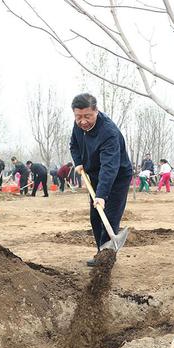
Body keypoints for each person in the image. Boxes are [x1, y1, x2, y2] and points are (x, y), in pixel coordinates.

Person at [69, 93, 132, 266]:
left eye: (87, 116)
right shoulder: (78, 126)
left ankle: (106, 259)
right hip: (95, 175)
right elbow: (73, 145)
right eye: (78, 117)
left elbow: (110, 166)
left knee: (109, 216)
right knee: (95, 217)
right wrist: (79, 162)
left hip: (117, 176)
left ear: (96, 111)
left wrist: (102, 195)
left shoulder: (108, 132)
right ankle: (101, 253)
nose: (83, 121)